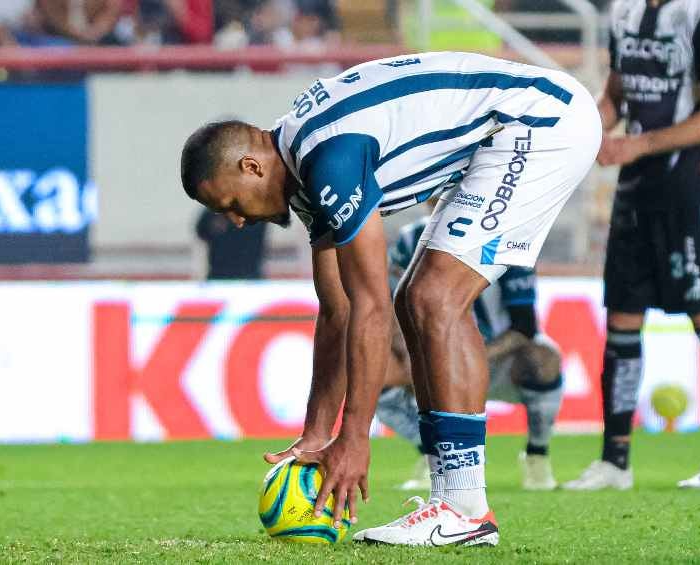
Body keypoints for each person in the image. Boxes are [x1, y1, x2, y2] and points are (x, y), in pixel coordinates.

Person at [179, 51, 600, 546]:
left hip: (541, 121)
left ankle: (464, 508)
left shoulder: (328, 158)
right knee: (418, 299)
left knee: (433, 297)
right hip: (509, 128)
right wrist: (317, 433)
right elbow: (337, 311)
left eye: (230, 204)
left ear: (251, 166)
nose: (237, 221)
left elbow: (367, 306)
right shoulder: (302, 167)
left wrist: (355, 439)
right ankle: (456, 506)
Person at [562, 0, 700, 491]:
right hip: (635, 189)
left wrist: (637, 146)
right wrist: (584, 133)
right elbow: (615, 97)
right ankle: (613, 462)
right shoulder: (623, 11)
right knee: (622, 317)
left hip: (692, 186)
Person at [377, 213, 564, 492]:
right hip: (431, 358)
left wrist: (466, 358)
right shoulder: (409, 240)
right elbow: (388, 304)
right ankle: (432, 455)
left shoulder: (508, 238)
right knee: (373, 368)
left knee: (544, 359)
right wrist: (408, 353)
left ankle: (537, 455)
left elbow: (524, 326)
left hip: (495, 359)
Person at [194, 209, 267, 280]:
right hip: (219, 274)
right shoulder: (215, 208)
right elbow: (201, 230)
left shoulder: (257, 207)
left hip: (250, 274)